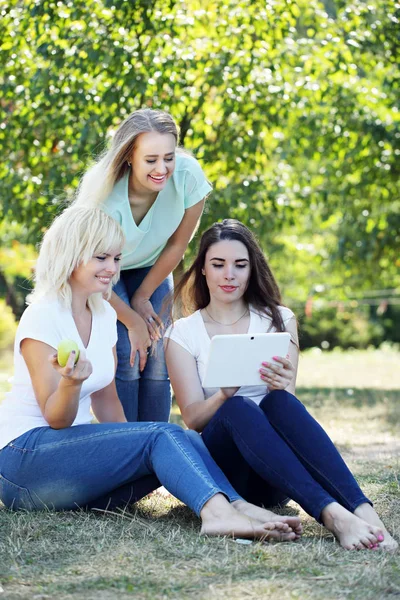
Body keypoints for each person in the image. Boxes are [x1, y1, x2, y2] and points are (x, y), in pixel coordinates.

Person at [0, 206, 302, 543]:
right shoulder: (42, 315)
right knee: (163, 435)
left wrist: (135, 442)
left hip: (62, 464)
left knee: (184, 440)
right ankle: (218, 516)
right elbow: (55, 418)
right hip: (23, 460)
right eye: (101, 258)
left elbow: (106, 398)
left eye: (116, 258)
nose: (112, 269)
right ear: (71, 255)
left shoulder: (100, 313)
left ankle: (239, 506)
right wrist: (72, 382)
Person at [164, 219, 398, 551]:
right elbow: (192, 419)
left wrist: (282, 385)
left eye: (239, 265)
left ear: (251, 269)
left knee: (279, 402)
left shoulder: (278, 319)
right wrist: (224, 394)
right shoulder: (183, 334)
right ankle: (334, 516)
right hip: (229, 472)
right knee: (236, 407)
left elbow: (287, 411)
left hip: (276, 475)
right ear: (202, 268)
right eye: (218, 264)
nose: (229, 274)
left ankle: (365, 514)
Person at [73, 108, 212, 422]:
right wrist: (133, 321)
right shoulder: (103, 198)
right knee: (126, 353)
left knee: (159, 352)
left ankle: (154, 444)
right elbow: (91, 272)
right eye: (151, 160)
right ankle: (128, 447)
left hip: (152, 267)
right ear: (128, 157)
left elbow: (178, 243)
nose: (162, 168)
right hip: (102, 274)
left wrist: (143, 296)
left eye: (169, 157)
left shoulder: (188, 176)